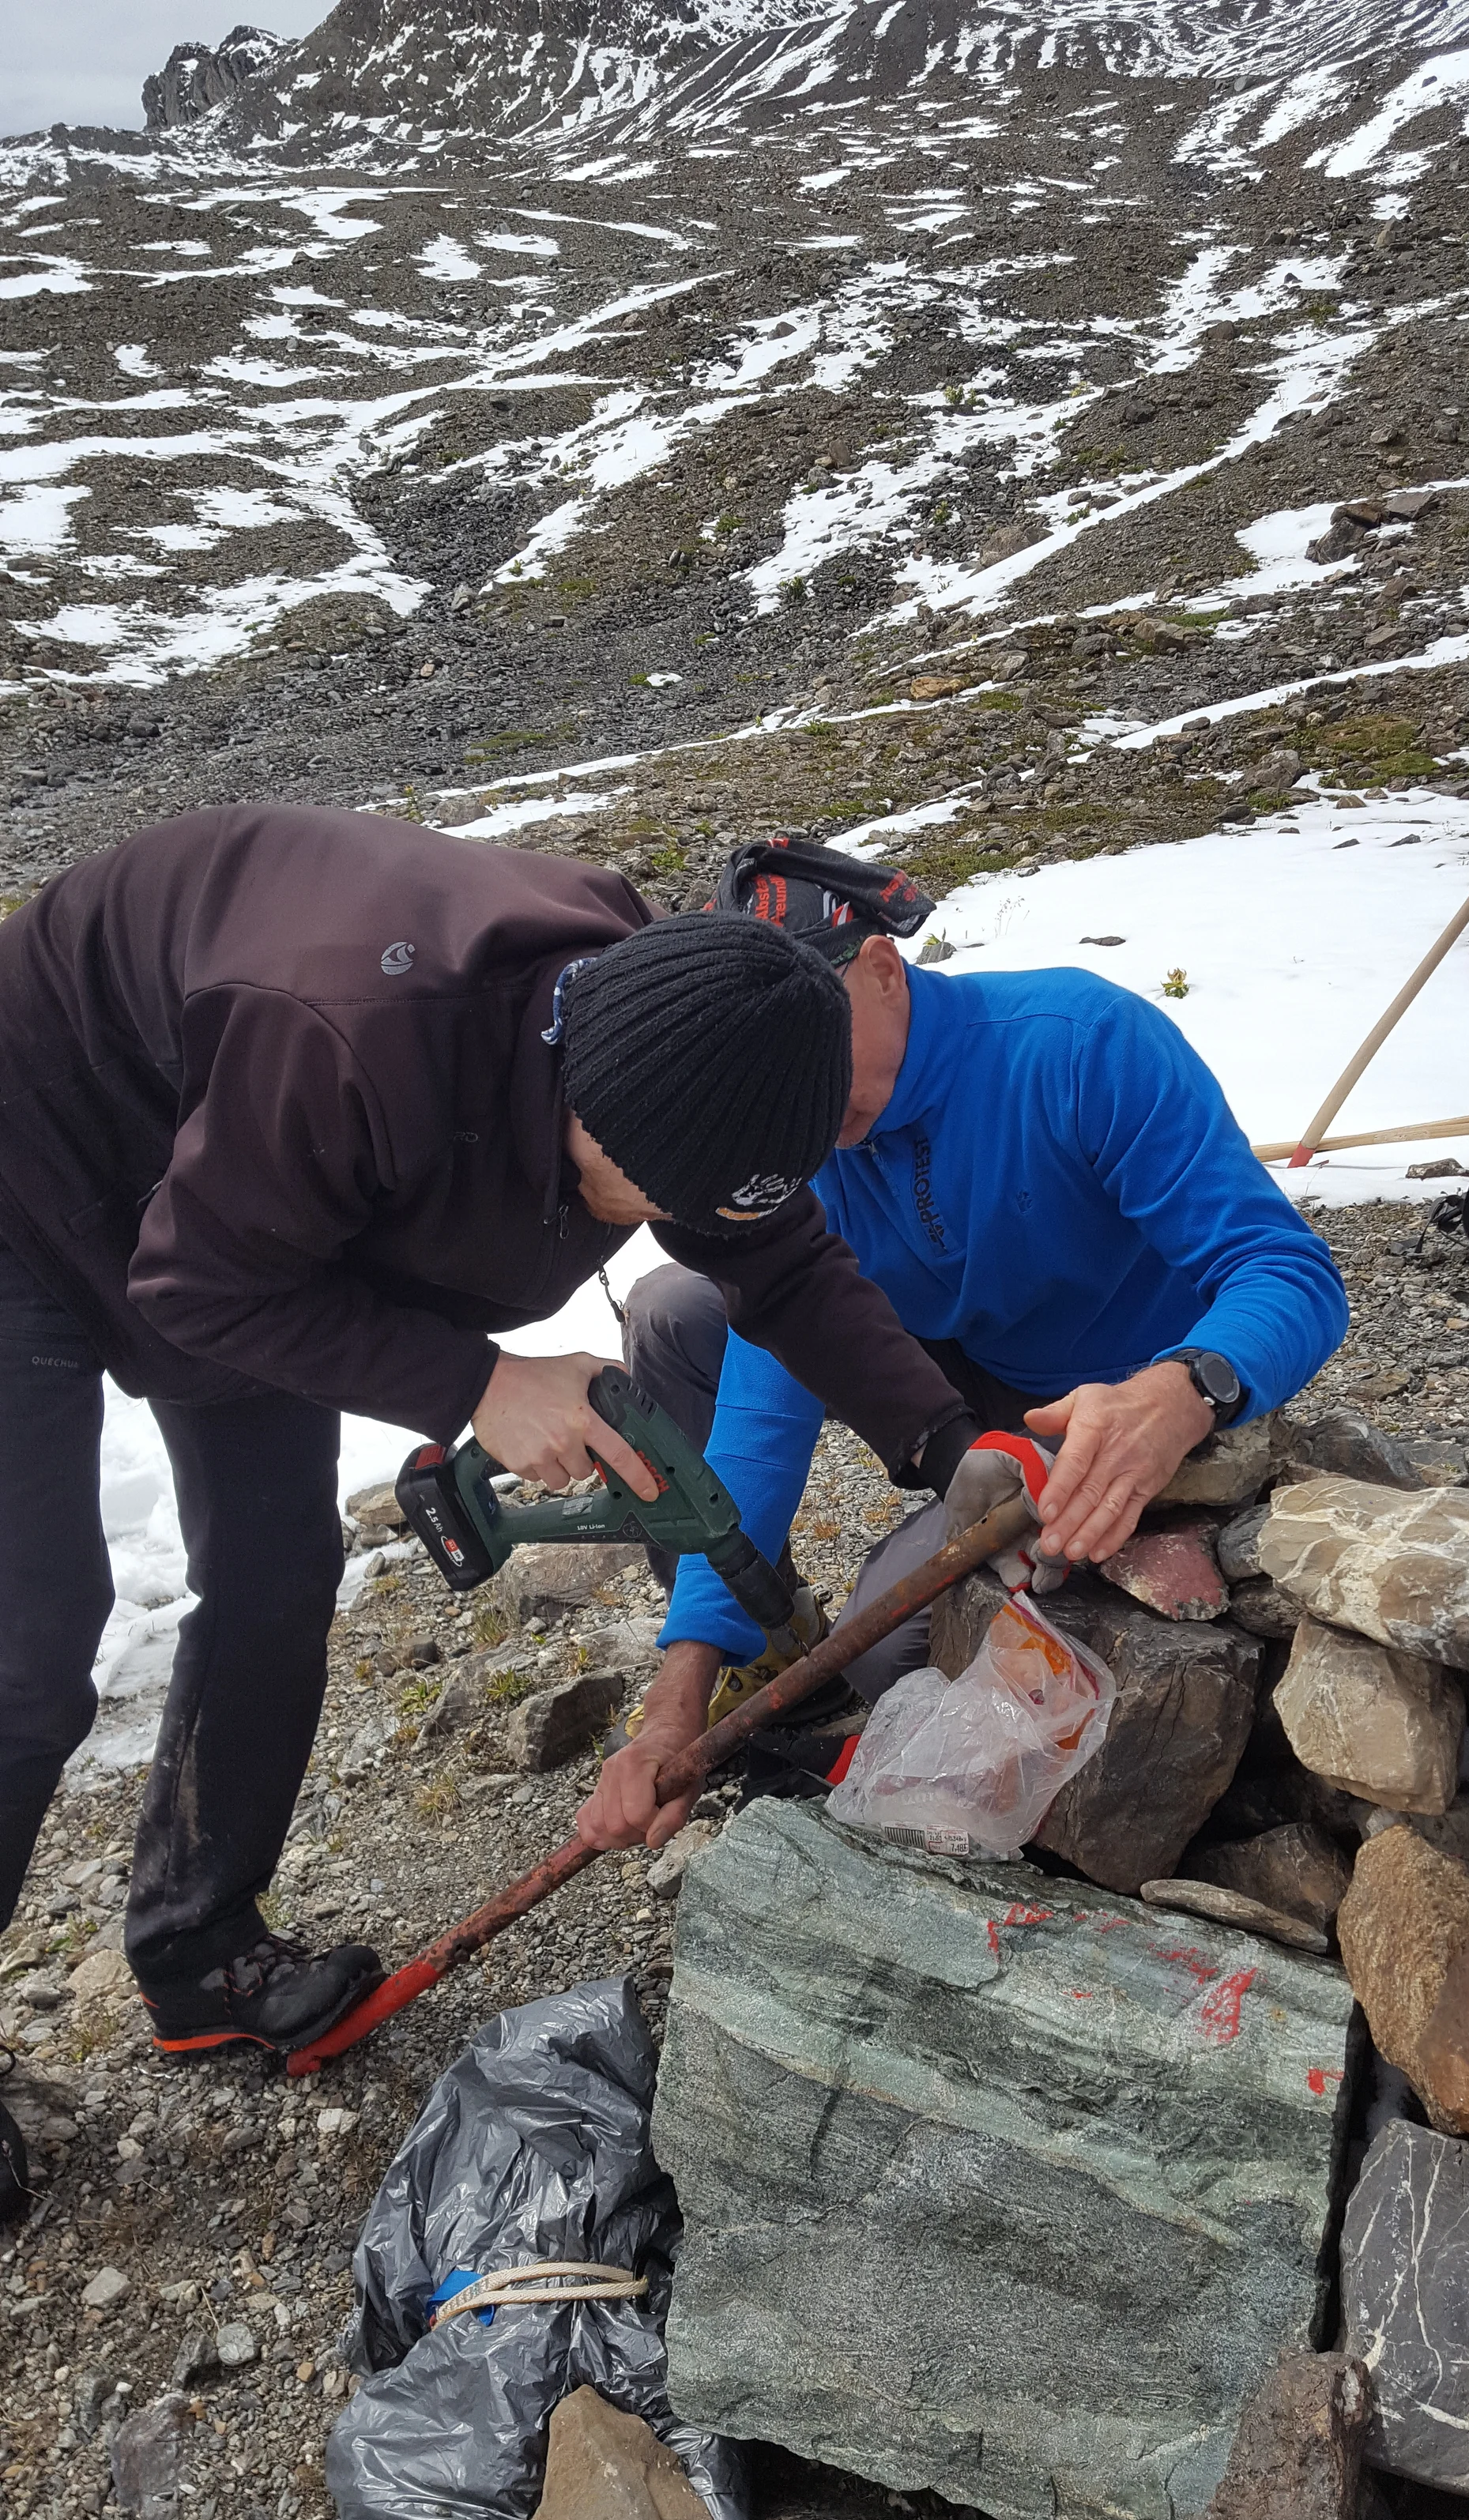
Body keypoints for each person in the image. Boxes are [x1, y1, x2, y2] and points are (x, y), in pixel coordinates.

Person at [0, 804, 989, 2119]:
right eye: (647, 1207)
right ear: (584, 1107)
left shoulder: (695, 1028)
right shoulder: (351, 1041)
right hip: (38, 1152)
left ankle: (198, 1953)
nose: (661, 1232)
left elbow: (783, 1260)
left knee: (278, 1567)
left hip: (248, 1188)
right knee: (30, 1647)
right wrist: (475, 1380)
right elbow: (194, 1288)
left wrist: (950, 1449)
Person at [578, 835, 1350, 1855]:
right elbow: (764, 1417)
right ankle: (757, 1637)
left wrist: (1186, 1390)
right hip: (975, 1413)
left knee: (889, 1646)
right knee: (676, 1312)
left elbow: (1293, 1274)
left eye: (813, 1032)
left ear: (885, 969)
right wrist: (680, 1697)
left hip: (1146, 1408)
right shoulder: (802, 1153)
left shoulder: (1075, 1049)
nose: (790, 1085)